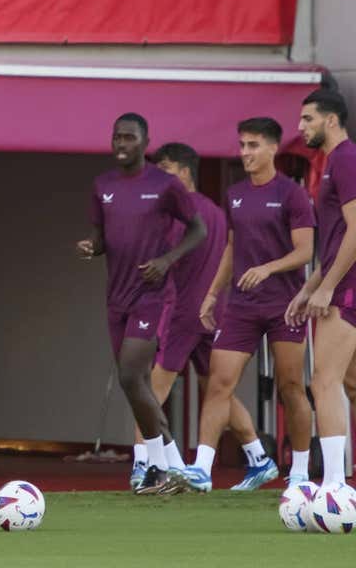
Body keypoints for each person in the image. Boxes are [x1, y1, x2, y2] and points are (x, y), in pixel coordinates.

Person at [178, 119, 315, 492]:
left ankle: (299, 473)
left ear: (273, 148)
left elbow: (306, 251)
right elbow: (232, 248)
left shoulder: (292, 194)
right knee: (219, 382)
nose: (245, 153)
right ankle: (201, 470)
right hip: (240, 305)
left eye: (253, 145)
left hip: (286, 304)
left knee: (290, 386)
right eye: (242, 145)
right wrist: (211, 294)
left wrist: (268, 268)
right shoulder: (235, 193)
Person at [76, 113, 205, 495]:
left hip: (152, 295)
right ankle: (168, 469)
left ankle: (159, 467)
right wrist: (91, 248)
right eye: (116, 137)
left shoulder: (164, 185)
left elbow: (199, 229)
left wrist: (167, 261)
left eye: (129, 138)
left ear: (145, 142)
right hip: (116, 298)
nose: (121, 144)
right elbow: (101, 239)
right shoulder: (103, 186)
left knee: (132, 376)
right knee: (138, 386)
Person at [137, 142, 265, 492]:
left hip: (183, 313)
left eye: (165, 167)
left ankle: (141, 465)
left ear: (184, 171)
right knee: (217, 390)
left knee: (147, 389)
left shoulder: (178, 213)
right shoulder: (215, 212)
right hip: (214, 312)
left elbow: (162, 262)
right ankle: (258, 457)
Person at [287, 89, 356, 490]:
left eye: (308, 119)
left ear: (331, 120)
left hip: (346, 289)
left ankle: (333, 485)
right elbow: (332, 244)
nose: (301, 127)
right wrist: (307, 287)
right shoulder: (333, 163)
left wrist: (328, 288)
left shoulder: (346, 159)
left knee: (323, 381)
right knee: (348, 384)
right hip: (337, 282)